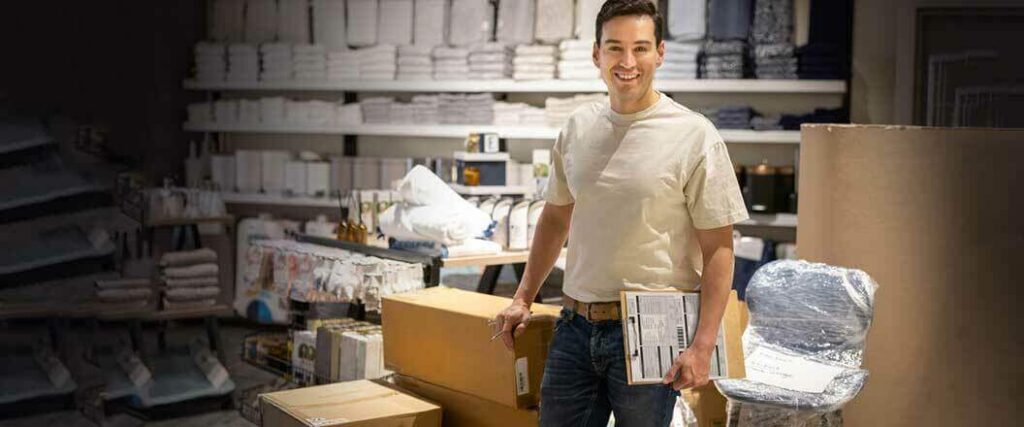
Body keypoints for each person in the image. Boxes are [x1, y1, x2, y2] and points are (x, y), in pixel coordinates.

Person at [493, 1, 749, 425]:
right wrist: (522, 296)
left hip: (653, 330)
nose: (627, 62)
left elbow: (719, 248)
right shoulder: (577, 127)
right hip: (574, 324)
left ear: (660, 53)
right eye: (615, 48)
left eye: (641, 48)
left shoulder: (694, 135)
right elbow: (555, 218)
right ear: (597, 54)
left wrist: (703, 345)